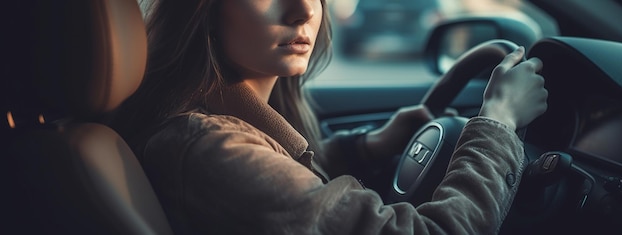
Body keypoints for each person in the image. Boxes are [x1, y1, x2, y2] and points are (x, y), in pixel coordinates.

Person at [110, 0, 547, 234]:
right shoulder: (208, 149)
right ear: (203, 10)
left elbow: (282, 181)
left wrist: (367, 146)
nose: (303, 8)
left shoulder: (212, 129)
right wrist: (499, 122)